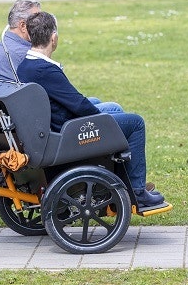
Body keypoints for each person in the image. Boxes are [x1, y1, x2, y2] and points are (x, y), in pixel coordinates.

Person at [16, 11, 164, 208]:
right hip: (66, 129)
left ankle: (120, 177)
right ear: (54, 38)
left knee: (113, 108)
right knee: (135, 122)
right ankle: (137, 191)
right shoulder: (45, 69)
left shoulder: (25, 65)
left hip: (53, 121)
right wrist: (104, 123)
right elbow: (78, 104)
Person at [0, 0, 124, 114]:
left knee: (95, 101)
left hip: (18, 109)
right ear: (23, 25)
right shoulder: (27, 55)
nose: (41, 21)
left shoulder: (4, 45)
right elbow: (64, 95)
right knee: (113, 108)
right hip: (38, 116)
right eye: (36, 18)